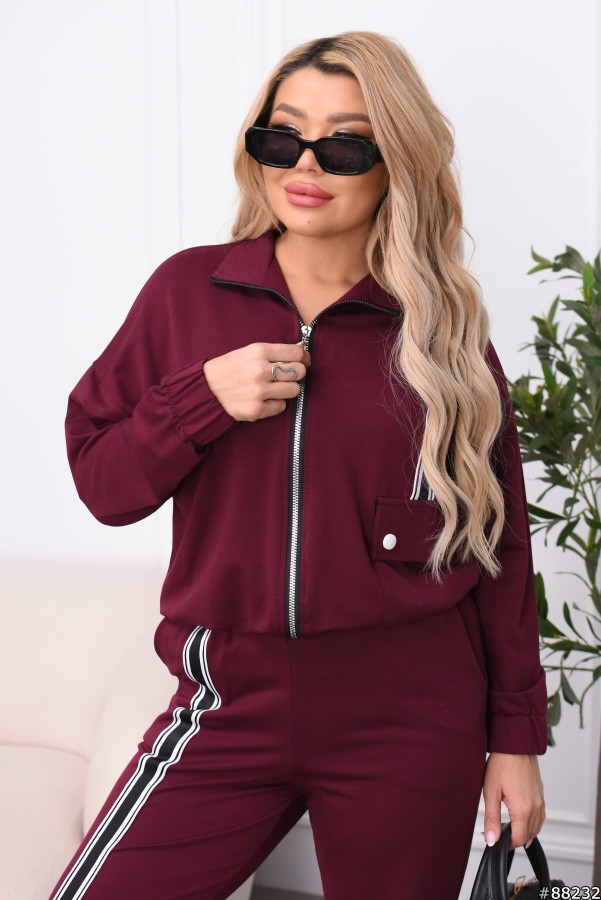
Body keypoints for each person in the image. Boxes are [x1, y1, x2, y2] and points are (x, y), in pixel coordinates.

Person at [50, 31, 546, 900]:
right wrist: (201, 398)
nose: (305, 164)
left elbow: (496, 548)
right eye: (282, 137)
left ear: (396, 164)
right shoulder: (187, 294)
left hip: (407, 716)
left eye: (344, 145)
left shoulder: (443, 337)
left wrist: (515, 737)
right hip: (227, 701)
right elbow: (103, 484)